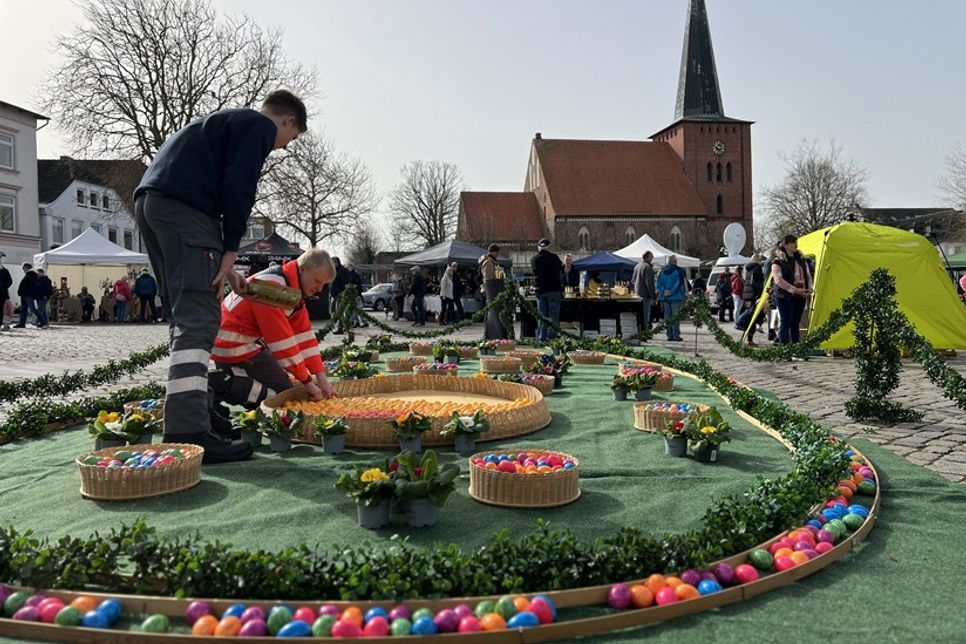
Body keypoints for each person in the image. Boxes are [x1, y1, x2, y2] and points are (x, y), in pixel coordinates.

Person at [133, 89, 306, 462]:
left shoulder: (225, 123)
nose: (280, 148)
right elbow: (239, 186)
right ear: (288, 121)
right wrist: (231, 249)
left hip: (152, 203)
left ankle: (194, 412)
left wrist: (229, 274)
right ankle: (188, 430)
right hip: (186, 211)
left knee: (184, 314)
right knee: (198, 318)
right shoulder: (259, 126)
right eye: (288, 141)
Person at [211, 248, 336, 414]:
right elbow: (281, 342)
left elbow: (304, 336)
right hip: (232, 347)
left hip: (240, 345)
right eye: (317, 281)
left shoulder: (287, 286)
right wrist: (307, 382)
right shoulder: (272, 288)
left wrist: (320, 377)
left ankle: (235, 379)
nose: (320, 289)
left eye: (324, 284)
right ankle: (225, 383)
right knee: (280, 396)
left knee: (281, 390)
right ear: (303, 269)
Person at [771, 234, 813, 345]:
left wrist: (809, 289)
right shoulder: (777, 261)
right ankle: (784, 349)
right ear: (785, 245)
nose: (795, 244)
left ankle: (796, 349)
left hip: (800, 295)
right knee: (785, 322)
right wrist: (794, 290)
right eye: (792, 242)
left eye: (796, 241)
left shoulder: (801, 259)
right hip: (784, 296)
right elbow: (778, 280)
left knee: (796, 323)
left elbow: (807, 275)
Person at [530, 238, 563, 341]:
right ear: (548, 246)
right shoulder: (554, 257)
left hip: (540, 290)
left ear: (538, 247)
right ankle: (552, 338)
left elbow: (534, 272)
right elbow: (561, 268)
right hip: (553, 289)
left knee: (542, 316)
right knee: (553, 316)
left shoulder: (534, 259)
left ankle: (542, 338)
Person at [655, 255, 686, 341]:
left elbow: (658, 283)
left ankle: (669, 335)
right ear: (675, 261)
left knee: (667, 317)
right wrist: (671, 291)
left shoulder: (661, 271)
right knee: (675, 317)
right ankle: (676, 335)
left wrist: (664, 291)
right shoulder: (679, 271)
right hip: (676, 297)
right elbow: (679, 283)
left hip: (665, 297)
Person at [479, 244, 506, 339]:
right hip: (492, 290)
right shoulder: (488, 262)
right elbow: (489, 277)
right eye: (498, 253)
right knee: (491, 312)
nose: (498, 255)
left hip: (495, 289)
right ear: (494, 252)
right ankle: (489, 334)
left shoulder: (492, 261)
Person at [631, 251, 657, 331]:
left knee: (639, 315)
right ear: (648, 257)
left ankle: (640, 330)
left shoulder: (637, 266)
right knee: (646, 315)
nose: (653, 257)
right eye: (652, 256)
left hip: (637, 294)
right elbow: (649, 283)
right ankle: (645, 332)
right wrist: (653, 295)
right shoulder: (647, 267)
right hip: (645, 295)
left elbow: (633, 281)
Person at [329, 257, 348, 333]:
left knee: (338, 311)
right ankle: (338, 325)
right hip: (333, 293)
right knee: (332, 310)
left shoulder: (342, 271)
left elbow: (344, 282)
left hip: (339, 294)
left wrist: (341, 291)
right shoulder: (333, 271)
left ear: (336, 262)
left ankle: (340, 327)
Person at [345, 262, 366, 328]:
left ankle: (363, 322)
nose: (349, 268)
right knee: (353, 309)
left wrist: (358, 292)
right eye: (348, 266)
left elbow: (359, 284)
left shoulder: (356, 275)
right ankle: (356, 322)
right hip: (350, 294)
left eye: (350, 266)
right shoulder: (347, 275)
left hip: (356, 294)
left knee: (358, 308)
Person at [0, 252, 12, 330]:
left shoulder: (5, 271)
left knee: (1, 309)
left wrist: (3, 286)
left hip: (2, 293)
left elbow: (10, 281)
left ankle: (1, 323)